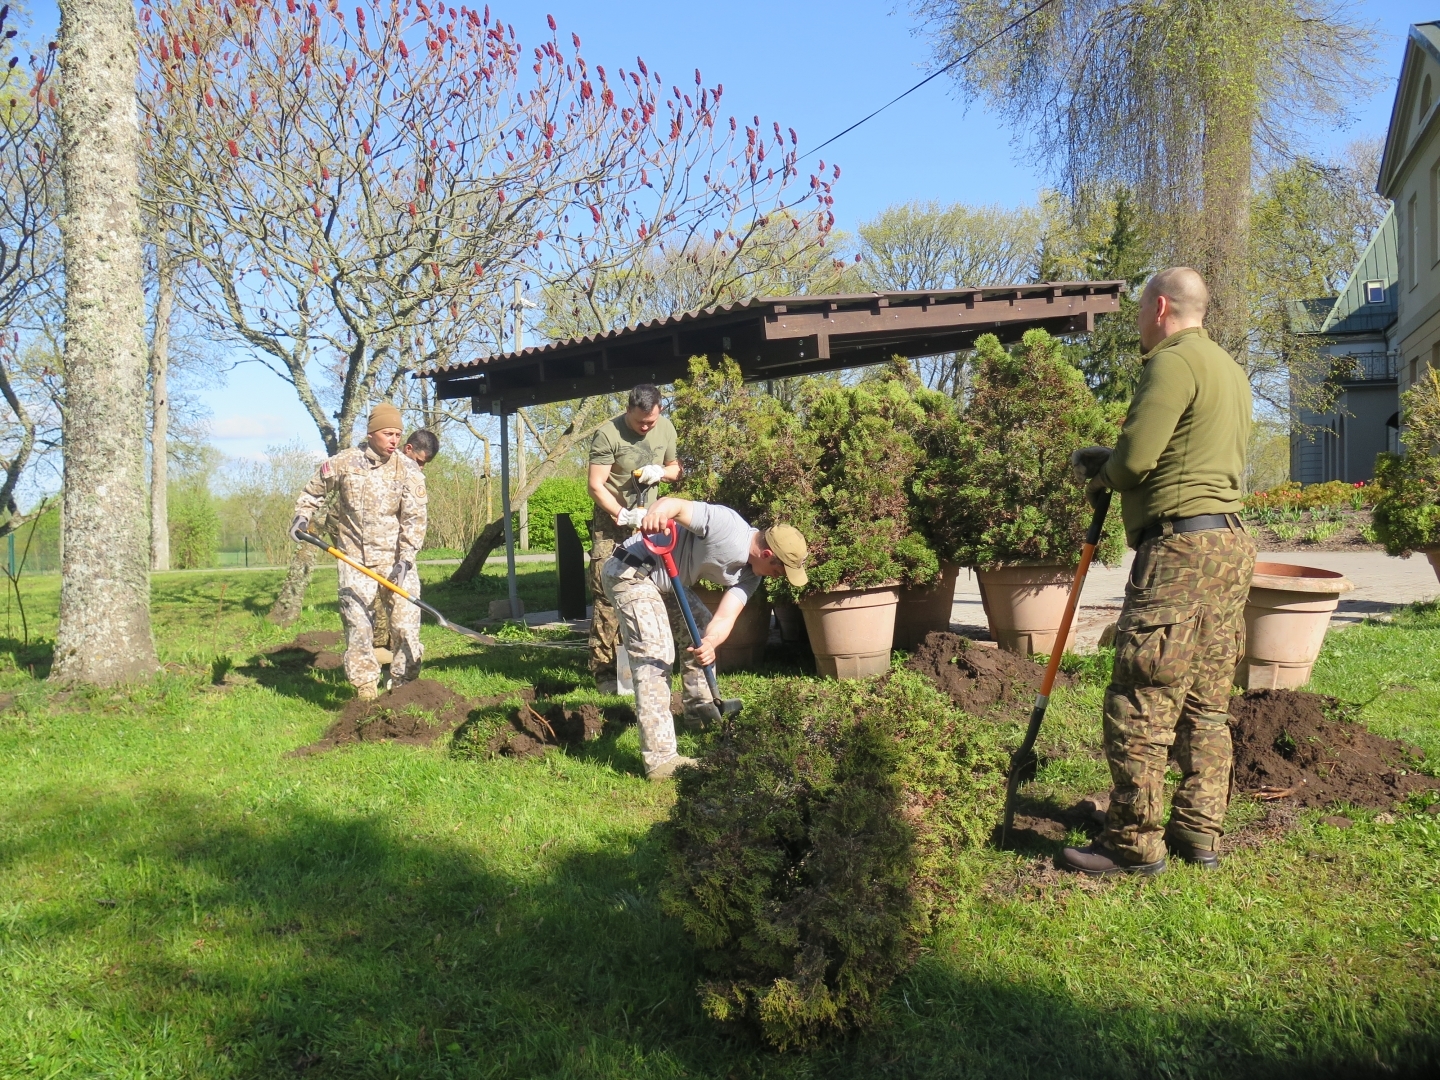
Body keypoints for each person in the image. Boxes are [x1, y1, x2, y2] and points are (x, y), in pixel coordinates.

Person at [1062, 266, 1255, 876]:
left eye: (1141, 311)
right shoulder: (1229, 369)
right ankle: (1199, 834)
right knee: (1206, 700)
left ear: (1161, 307)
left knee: (1142, 693)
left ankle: (1132, 843)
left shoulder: (1171, 361)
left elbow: (1139, 459)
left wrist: (1103, 474)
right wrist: (1114, 461)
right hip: (1228, 543)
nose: (1139, 325)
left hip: (1179, 554)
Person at [603, 496, 807, 780]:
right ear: (768, 555)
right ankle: (660, 760)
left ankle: (699, 713)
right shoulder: (727, 526)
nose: (778, 577)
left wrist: (710, 643)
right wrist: (657, 514)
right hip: (631, 572)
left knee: (700, 628)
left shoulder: (752, 575)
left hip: (663, 581)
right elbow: (675, 504)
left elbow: (724, 618)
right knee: (656, 654)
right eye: (780, 570)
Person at [290, 404, 428, 701]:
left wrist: (406, 559)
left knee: (405, 625)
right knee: (358, 625)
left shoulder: (408, 470)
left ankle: (403, 687)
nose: (394, 439)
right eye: (388, 433)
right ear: (371, 433)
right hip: (353, 559)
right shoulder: (344, 463)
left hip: (395, 561)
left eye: (398, 434)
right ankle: (365, 688)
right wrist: (302, 516)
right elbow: (313, 491)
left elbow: (414, 519)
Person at [587, 384, 682, 693]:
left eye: (650, 422)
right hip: (613, 517)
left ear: (659, 412)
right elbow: (596, 485)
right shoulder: (608, 434)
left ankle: (652, 663)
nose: (645, 427)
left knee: (653, 587)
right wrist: (621, 514)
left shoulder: (665, 428)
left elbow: (675, 468)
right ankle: (604, 672)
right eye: (639, 421)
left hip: (651, 516)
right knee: (605, 588)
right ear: (628, 410)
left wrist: (663, 473)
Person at [373, 428, 440, 664]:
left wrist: (406, 557)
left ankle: (401, 665)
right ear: (408, 449)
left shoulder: (412, 477)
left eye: (425, 465)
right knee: (374, 608)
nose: (420, 468)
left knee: (404, 610)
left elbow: (414, 519)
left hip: (400, 554)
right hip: (371, 553)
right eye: (419, 461)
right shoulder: (381, 469)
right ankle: (379, 653)